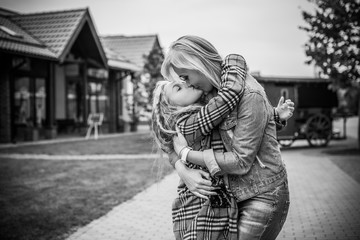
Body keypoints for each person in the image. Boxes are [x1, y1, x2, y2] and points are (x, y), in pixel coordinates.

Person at [152, 35, 294, 240]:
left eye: (185, 76)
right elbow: (170, 139)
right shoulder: (211, 95)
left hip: (262, 193)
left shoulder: (246, 93)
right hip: (233, 196)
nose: (186, 83)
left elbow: (241, 160)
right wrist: (183, 171)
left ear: (196, 63)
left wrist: (186, 154)